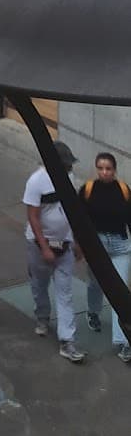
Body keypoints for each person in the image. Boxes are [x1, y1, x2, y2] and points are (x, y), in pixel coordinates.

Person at [24, 140, 85, 363]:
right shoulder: (36, 182)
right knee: (39, 286)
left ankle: (67, 341)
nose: (70, 169)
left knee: (65, 293)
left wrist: (77, 241)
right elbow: (33, 216)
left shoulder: (69, 179)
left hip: (65, 243)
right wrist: (44, 246)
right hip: (40, 244)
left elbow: (73, 212)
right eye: (66, 165)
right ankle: (42, 317)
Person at [79, 150, 131, 362]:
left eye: (108, 168)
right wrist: (81, 244)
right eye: (100, 168)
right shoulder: (88, 190)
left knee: (120, 292)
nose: (104, 172)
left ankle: (124, 342)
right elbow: (80, 219)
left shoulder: (124, 190)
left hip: (119, 245)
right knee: (95, 284)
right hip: (97, 244)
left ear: (114, 170)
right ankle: (93, 312)